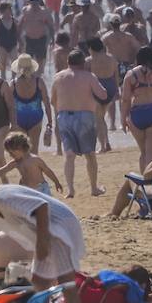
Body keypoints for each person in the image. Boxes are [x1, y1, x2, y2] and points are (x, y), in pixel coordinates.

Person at [49, 49, 107, 196]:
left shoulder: (58, 77)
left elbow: (53, 100)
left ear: (68, 62)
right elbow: (103, 94)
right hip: (85, 116)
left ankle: (70, 190)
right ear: (83, 63)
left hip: (64, 116)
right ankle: (94, 188)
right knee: (90, 154)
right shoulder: (89, 76)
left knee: (69, 155)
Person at [0, 132, 61, 196]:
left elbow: (48, 171)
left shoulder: (35, 160)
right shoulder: (16, 162)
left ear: (20, 148)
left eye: (11, 152)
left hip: (41, 190)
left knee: (45, 208)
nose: (10, 155)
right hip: (26, 190)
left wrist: (56, 182)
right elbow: (3, 170)